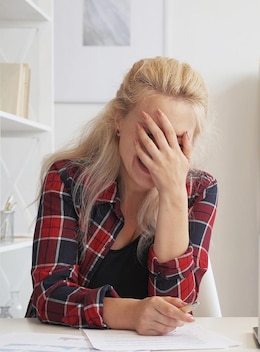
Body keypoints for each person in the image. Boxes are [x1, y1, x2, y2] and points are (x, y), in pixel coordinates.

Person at [26, 57, 218, 335]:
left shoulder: (200, 189)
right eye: (151, 134)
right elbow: (49, 296)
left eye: (174, 143)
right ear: (119, 120)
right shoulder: (68, 179)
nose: (158, 154)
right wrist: (131, 313)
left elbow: (177, 306)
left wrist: (173, 193)